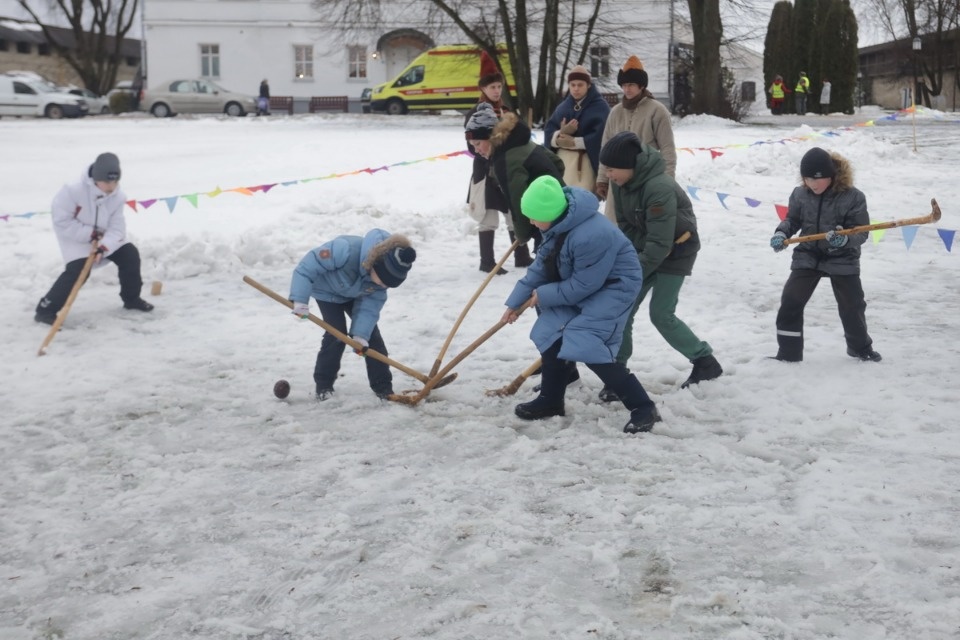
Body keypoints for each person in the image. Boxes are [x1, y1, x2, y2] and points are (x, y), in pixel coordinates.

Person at [501, 176, 662, 433]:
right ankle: (551, 400)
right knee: (551, 333)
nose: (531, 222)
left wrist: (543, 295)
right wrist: (515, 302)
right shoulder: (555, 227)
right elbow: (540, 269)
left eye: (534, 216)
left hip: (613, 288)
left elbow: (584, 286)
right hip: (581, 285)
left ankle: (643, 407)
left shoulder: (591, 235)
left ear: (550, 213)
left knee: (587, 343)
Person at [599, 132, 722, 398]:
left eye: (611, 169)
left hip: (677, 250)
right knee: (624, 309)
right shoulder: (621, 185)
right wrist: (627, 262)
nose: (608, 175)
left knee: (661, 314)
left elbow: (660, 245)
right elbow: (627, 227)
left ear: (629, 165)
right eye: (605, 169)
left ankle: (705, 362)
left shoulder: (659, 187)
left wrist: (632, 272)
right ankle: (617, 372)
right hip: (649, 248)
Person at [769, 147, 881, 363]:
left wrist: (845, 239)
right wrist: (782, 232)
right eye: (808, 178)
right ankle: (788, 353)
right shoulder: (800, 194)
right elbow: (793, 219)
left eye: (818, 178)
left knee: (852, 305)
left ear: (831, 175)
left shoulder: (853, 197)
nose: (813, 183)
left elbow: (861, 231)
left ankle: (860, 348)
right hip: (809, 254)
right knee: (791, 300)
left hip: (842, 256)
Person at [289, 229, 416, 401]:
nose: (383, 285)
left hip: (356, 294)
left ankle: (384, 389)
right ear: (374, 264)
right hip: (326, 293)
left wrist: (360, 335)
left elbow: (369, 309)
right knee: (336, 334)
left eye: (388, 284)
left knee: (373, 339)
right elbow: (307, 267)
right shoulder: (345, 250)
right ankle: (324, 386)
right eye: (382, 279)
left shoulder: (379, 285)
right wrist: (300, 300)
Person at [35, 152, 153, 324]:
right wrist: (90, 234)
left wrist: (103, 246)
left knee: (129, 254)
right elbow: (62, 221)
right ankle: (46, 309)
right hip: (75, 238)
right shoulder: (72, 191)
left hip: (104, 239)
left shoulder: (118, 197)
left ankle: (131, 299)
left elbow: (117, 228)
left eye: (115, 181)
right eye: (107, 181)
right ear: (95, 178)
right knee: (79, 270)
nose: (111, 186)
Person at [464, 102, 564, 263]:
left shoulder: (504, 160)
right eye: (472, 146)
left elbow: (517, 197)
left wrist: (522, 234)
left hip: (546, 217)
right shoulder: (518, 140)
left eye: (477, 144)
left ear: (490, 137)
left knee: (547, 268)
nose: (476, 150)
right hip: (560, 203)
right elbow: (557, 163)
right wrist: (549, 186)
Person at [596, 56, 677, 224]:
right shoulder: (615, 112)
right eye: (624, 85)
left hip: (645, 181)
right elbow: (606, 148)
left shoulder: (657, 111)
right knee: (615, 228)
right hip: (617, 183)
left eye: (631, 84)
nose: (627, 89)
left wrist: (667, 183)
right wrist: (602, 179)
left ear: (641, 85)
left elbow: (668, 150)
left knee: (641, 228)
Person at [464, 51, 516, 274]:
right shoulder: (474, 114)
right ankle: (487, 261)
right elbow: (470, 146)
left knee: (514, 213)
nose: (496, 90)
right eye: (492, 87)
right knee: (487, 216)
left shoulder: (507, 112)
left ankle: (522, 255)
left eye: (498, 86)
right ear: (483, 89)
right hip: (485, 171)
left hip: (508, 170)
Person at [542, 65, 610, 193]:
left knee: (582, 202)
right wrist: (558, 137)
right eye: (572, 85)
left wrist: (575, 142)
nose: (576, 89)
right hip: (563, 165)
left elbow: (601, 136)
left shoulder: (600, 107)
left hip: (584, 165)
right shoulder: (564, 106)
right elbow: (549, 130)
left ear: (588, 85)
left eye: (580, 85)